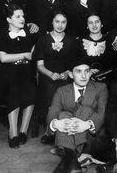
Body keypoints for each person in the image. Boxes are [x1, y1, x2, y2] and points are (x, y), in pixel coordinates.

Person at [47, 58, 108, 173]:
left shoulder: (101, 87)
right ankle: (73, 162)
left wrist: (87, 125)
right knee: (63, 115)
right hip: (69, 134)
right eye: (78, 71)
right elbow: (53, 111)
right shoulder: (61, 90)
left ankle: (68, 159)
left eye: (86, 71)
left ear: (90, 73)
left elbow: (102, 112)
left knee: (84, 109)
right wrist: (56, 123)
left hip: (92, 137)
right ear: (70, 74)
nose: (83, 75)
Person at [0, 4, 37, 148]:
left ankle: (23, 131)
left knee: (31, 89)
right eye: (18, 16)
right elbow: (3, 58)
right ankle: (13, 132)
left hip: (26, 71)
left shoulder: (28, 33)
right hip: (8, 72)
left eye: (23, 16)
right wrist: (24, 55)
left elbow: (34, 52)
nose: (22, 19)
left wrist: (30, 53)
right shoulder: (1, 35)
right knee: (14, 90)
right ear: (8, 19)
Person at [34, 11, 77, 145]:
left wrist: (67, 72)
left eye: (63, 22)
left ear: (67, 24)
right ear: (52, 22)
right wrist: (50, 74)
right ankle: (50, 130)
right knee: (49, 89)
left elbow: (74, 63)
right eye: (57, 21)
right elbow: (39, 65)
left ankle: (63, 130)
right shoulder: (43, 40)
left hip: (65, 76)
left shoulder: (71, 40)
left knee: (65, 89)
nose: (60, 25)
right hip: (48, 76)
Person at [77, 13, 111, 83]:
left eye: (97, 22)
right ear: (87, 26)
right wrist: (87, 70)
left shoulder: (110, 41)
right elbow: (77, 63)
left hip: (107, 81)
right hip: (84, 80)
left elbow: (112, 64)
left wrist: (102, 74)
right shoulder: (79, 41)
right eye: (90, 23)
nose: (94, 25)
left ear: (102, 24)